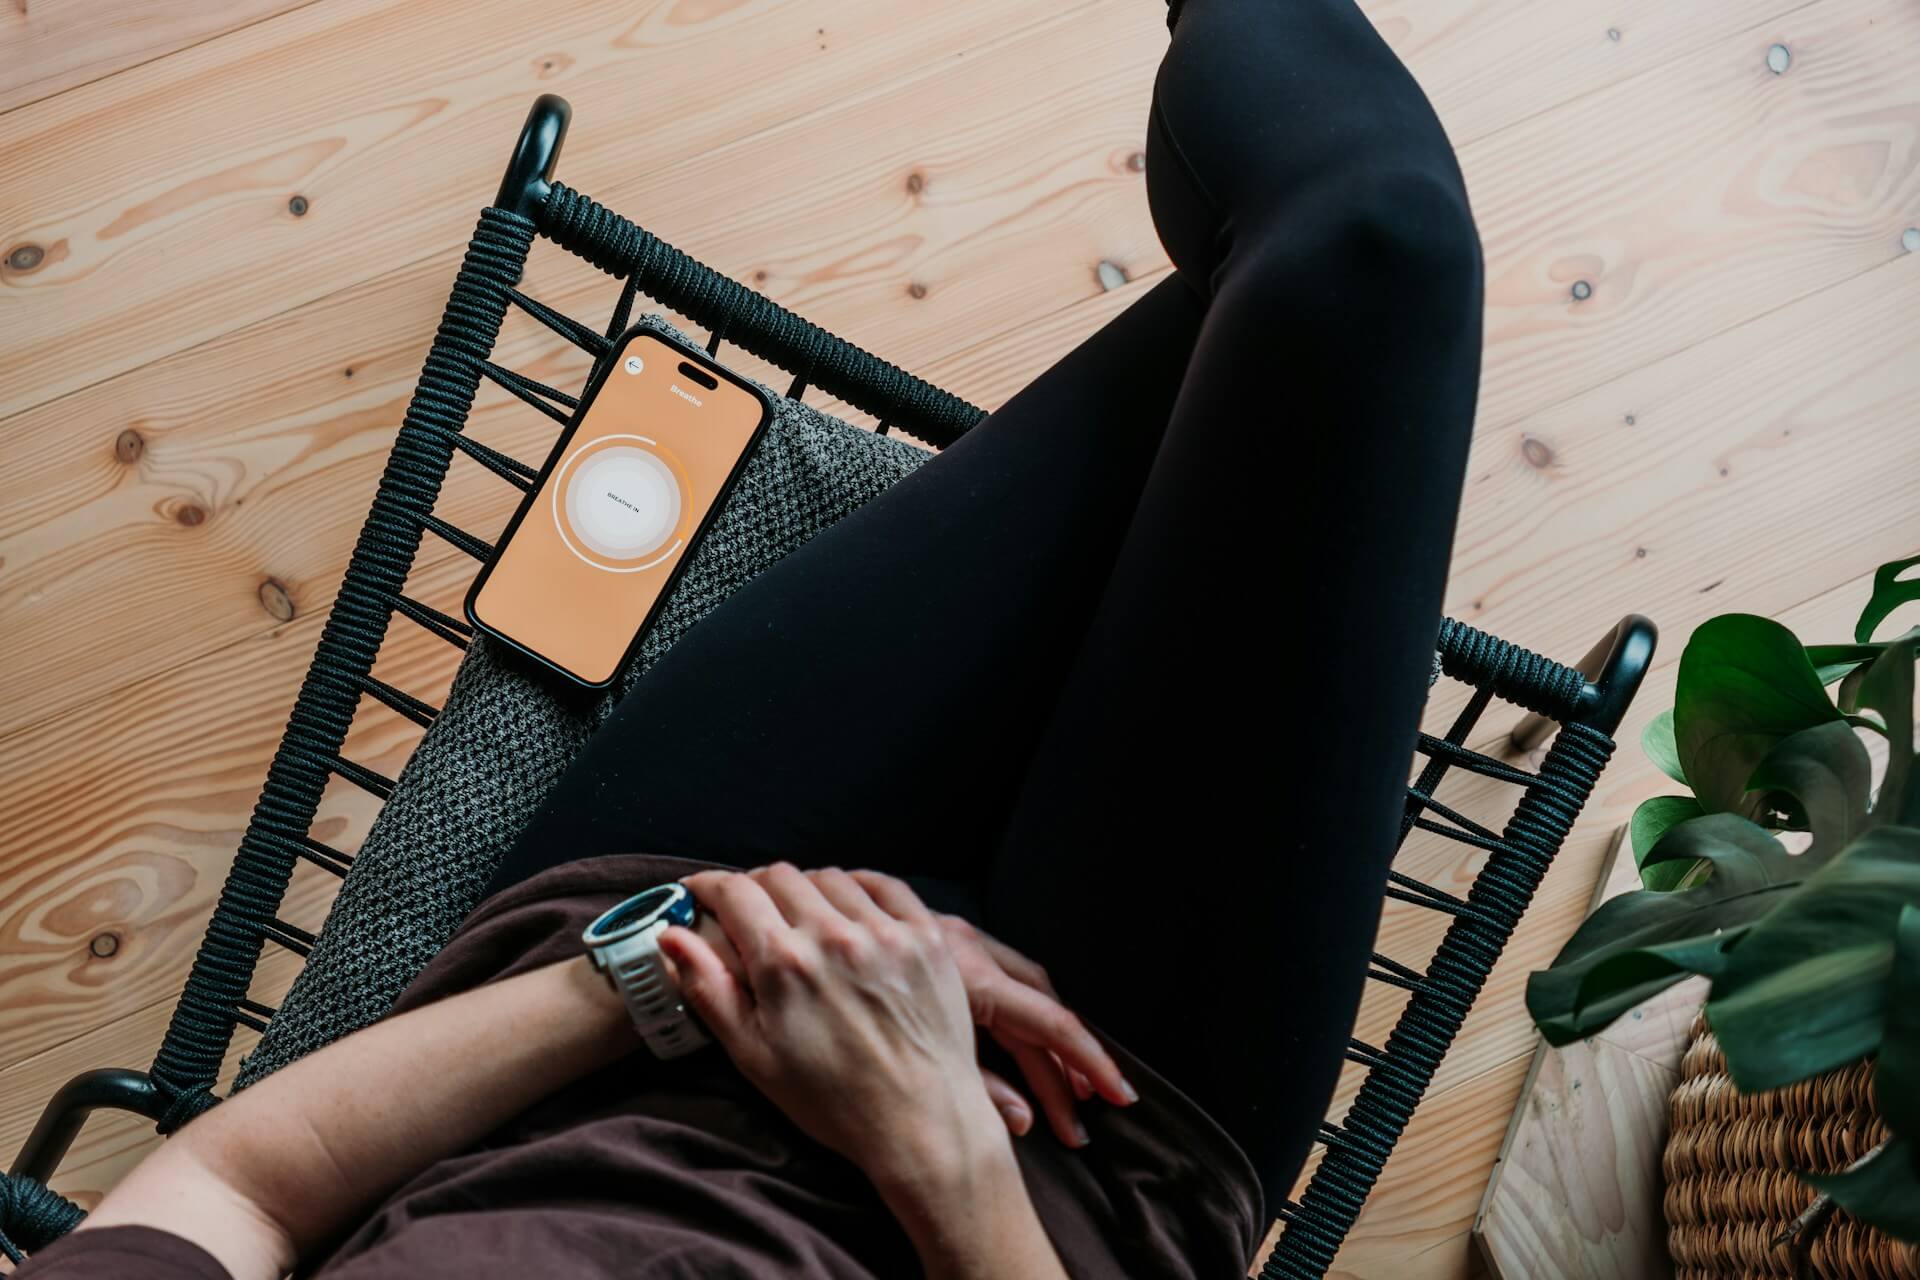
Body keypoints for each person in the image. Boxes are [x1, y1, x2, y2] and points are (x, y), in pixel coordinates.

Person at [15, 0, 1480, 1275]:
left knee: (1343, 266)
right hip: (1091, 1158)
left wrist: (656, 975)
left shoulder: (672, 962)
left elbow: (234, 1183)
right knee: (1358, 269)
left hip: (688, 955)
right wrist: (932, 1150)